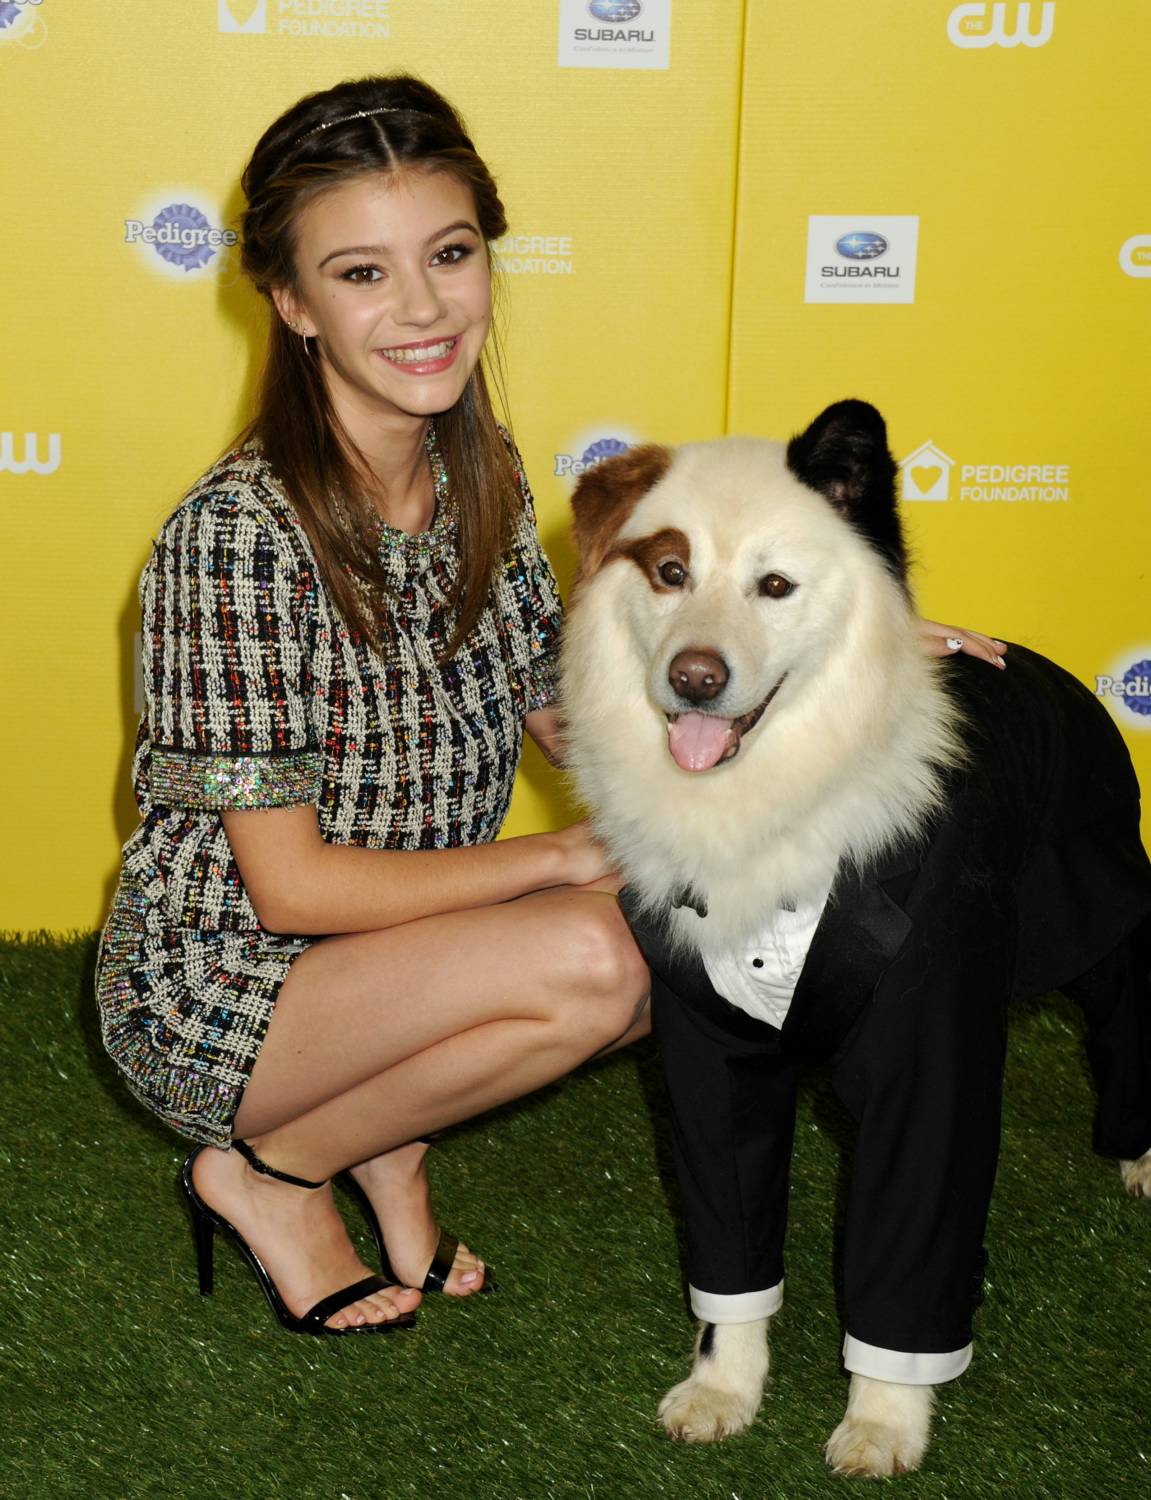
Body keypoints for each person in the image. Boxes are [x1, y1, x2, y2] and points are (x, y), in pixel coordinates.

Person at [95, 74, 1007, 1338]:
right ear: (292, 303)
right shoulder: (237, 538)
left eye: (450, 255)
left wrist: (845, 642)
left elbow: (564, 701)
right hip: (228, 978)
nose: (422, 309)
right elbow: (287, 890)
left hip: (405, 944)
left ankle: (385, 1137)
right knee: (608, 943)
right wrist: (571, 855)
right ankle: (271, 1169)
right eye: (361, 274)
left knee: (679, 924)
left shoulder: (479, 469)